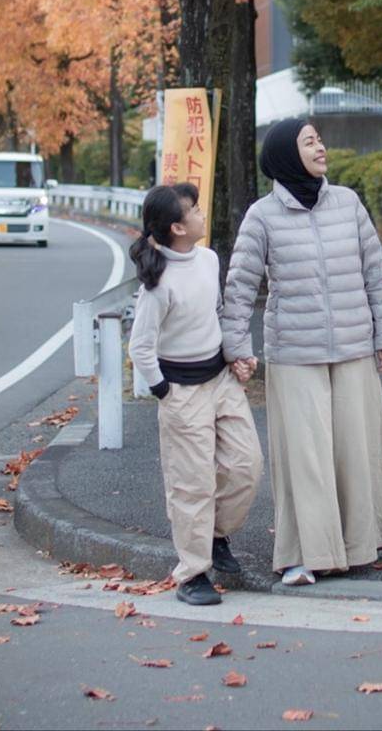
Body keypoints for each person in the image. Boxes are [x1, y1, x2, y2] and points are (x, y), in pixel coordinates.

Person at [222, 118, 382, 586]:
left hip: (353, 345)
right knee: (306, 457)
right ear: (286, 154)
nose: (321, 147)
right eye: (310, 141)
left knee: (354, 449)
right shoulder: (262, 216)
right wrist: (237, 348)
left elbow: (374, 274)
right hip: (294, 352)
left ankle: (360, 544)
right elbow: (240, 286)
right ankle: (305, 554)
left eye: (320, 139)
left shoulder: (347, 203)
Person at [128, 183, 263, 606]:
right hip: (181, 391)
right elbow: (140, 347)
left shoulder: (207, 259)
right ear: (176, 227)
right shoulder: (157, 284)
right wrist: (163, 391)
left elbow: (216, 313)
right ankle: (192, 573)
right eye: (195, 210)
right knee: (192, 485)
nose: (203, 214)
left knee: (246, 464)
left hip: (220, 379)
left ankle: (216, 535)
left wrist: (236, 356)